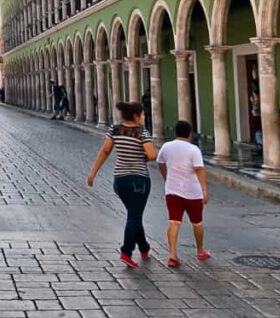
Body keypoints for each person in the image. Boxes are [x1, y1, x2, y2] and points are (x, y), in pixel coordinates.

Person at [87, 101, 158, 268]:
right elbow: (152, 154)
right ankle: (126, 251)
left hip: (120, 180)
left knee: (134, 214)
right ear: (136, 116)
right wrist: (144, 157)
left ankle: (144, 247)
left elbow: (105, 150)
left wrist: (93, 173)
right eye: (142, 114)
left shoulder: (115, 129)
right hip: (139, 180)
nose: (144, 117)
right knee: (134, 216)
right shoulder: (142, 132)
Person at [157, 120, 210, 268]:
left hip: (172, 190)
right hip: (193, 192)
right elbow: (199, 170)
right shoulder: (193, 150)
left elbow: (160, 163)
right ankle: (200, 251)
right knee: (197, 222)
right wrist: (204, 190)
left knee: (174, 222)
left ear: (176, 132)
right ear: (190, 133)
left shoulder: (166, 147)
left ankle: (172, 255)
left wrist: (166, 177)